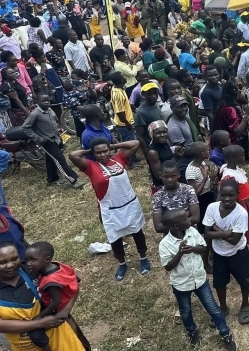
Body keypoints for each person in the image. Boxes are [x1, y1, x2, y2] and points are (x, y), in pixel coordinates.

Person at [69, 139, 150, 281]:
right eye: (98, 152)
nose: (102, 155)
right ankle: (122, 263)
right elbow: (73, 155)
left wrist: (113, 146)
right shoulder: (90, 166)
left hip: (129, 204)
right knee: (115, 237)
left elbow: (136, 143)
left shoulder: (119, 158)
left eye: (105, 151)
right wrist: (90, 150)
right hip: (110, 209)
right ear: (93, 154)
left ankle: (143, 258)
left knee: (137, 232)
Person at [159, 209, 237, 350]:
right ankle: (192, 331)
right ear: (177, 226)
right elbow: (168, 267)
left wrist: (193, 248)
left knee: (213, 308)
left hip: (200, 280)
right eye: (185, 219)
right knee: (186, 311)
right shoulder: (165, 244)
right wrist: (180, 253)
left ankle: (225, 334)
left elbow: (203, 248)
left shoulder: (193, 232)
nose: (190, 220)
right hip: (181, 285)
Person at [0, 242, 86, 351]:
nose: (11, 265)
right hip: (24, 346)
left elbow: (72, 283)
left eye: (15, 259)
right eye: (3, 262)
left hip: (60, 338)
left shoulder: (32, 269)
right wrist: (39, 323)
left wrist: (65, 311)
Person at [201, 179, 249, 326]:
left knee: (245, 281)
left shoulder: (241, 213)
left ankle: (245, 304)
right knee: (219, 283)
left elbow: (235, 240)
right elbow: (207, 234)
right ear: (219, 193)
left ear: (238, 195)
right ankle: (223, 307)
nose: (227, 199)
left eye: (231, 195)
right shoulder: (212, 208)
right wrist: (225, 233)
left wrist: (216, 230)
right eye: (223, 195)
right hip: (219, 254)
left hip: (238, 253)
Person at [24, 242, 91, 351]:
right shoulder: (58, 265)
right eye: (26, 260)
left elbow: (55, 301)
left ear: (47, 259)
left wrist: (40, 316)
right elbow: (74, 279)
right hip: (65, 304)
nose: (28, 264)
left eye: (33, 260)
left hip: (58, 309)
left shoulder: (50, 281)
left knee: (36, 334)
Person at [22, 93, 84, 188]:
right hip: (46, 141)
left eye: (48, 100)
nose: (47, 102)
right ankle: (73, 180)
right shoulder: (35, 114)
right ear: (37, 102)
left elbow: (54, 121)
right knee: (60, 159)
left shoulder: (50, 110)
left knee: (50, 158)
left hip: (55, 138)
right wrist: (38, 138)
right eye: (43, 101)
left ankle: (52, 178)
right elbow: (26, 128)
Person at [151, 160, 200, 233]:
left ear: (179, 175)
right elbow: (158, 227)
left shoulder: (188, 190)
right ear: (160, 176)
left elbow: (196, 218)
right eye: (166, 177)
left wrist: (171, 223)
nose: (169, 180)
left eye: (173, 176)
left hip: (191, 232)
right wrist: (186, 215)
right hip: (171, 237)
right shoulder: (158, 196)